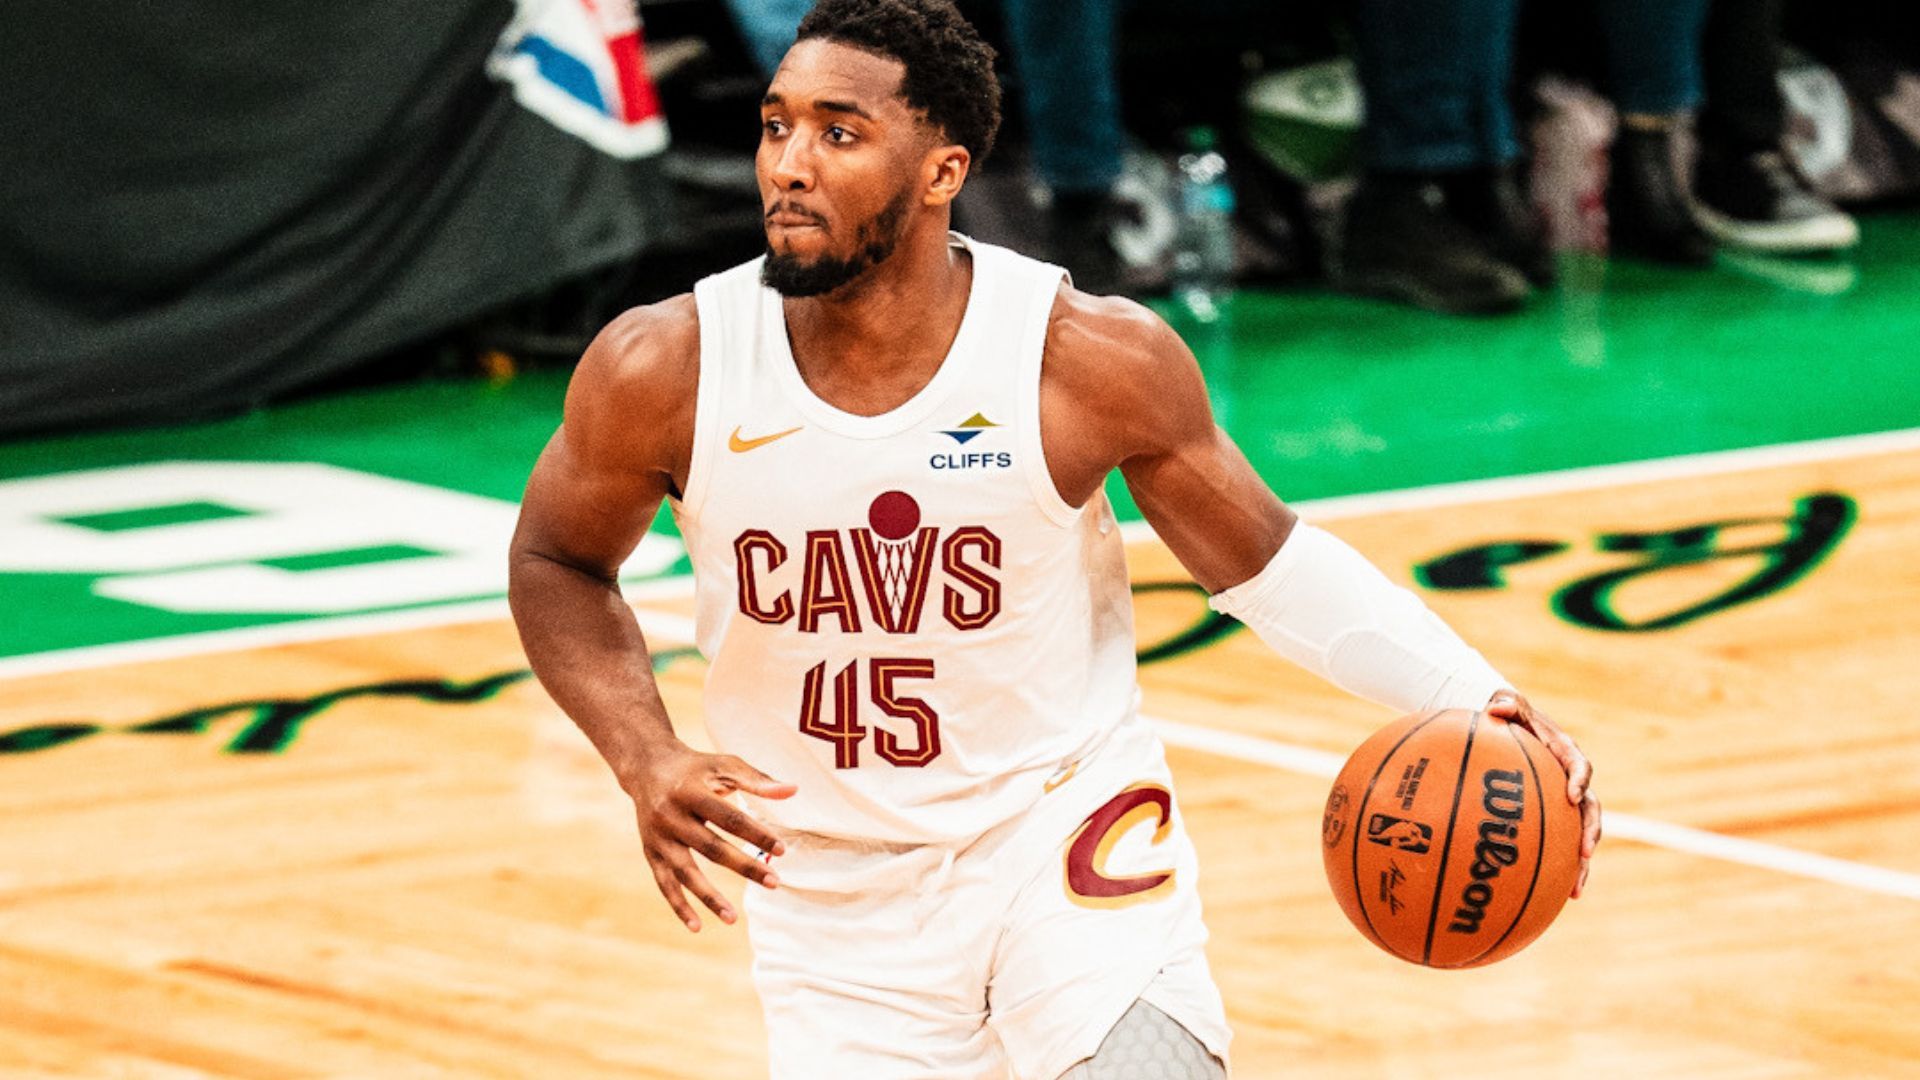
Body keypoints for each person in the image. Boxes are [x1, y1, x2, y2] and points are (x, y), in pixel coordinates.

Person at [507, 1, 1603, 1076]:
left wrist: (1477, 698)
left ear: (942, 172)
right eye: (775, 125)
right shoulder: (668, 366)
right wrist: (644, 756)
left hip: (1068, 844)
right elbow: (558, 560)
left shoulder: (1082, 358)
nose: (788, 165)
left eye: (839, 133)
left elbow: (1268, 565)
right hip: (834, 902)